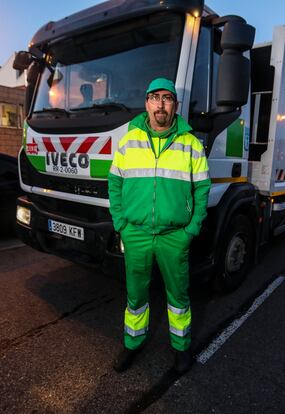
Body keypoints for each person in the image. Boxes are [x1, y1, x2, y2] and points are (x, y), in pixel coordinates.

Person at [108, 77, 211, 373]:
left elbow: (202, 190)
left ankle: (181, 348)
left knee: (178, 297)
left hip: (174, 236)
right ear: (146, 104)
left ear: (175, 105)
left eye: (167, 98)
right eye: (155, 97)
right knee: (136, 296)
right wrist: (121, 224)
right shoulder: (129, 141)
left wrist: (190, 231)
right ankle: (132, 345)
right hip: (136, 235)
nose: (161, 104)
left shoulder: (190, 144)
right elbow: (114, 183)